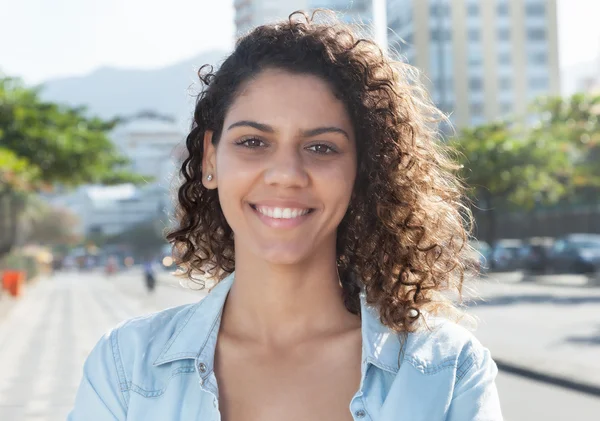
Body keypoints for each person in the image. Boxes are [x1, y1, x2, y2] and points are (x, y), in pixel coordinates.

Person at [68, 11, 502, 421]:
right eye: (253, 142)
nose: (286, 175)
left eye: (321, 147)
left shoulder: (447, 371)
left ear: (363, 171)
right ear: (209, 160)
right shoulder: (125, 367)